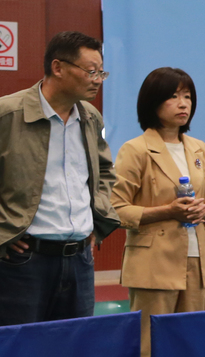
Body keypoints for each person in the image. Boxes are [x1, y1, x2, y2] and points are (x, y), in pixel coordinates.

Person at [111, 67, 205, 357]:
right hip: (152, 266)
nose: (182, 103)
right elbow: (116, 209)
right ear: (153, 103)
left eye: (187, 96)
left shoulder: (198, 147)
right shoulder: (136, 149)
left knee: (191, 355)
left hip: (196, 263)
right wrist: (166, 211)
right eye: (173, 96)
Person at [0, 31, 119, 326]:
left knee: (74, 349)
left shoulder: (90, 117)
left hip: (80, 260)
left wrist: (96, 218)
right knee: (19, 349)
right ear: (58, 67)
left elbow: (105, 171)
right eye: (91, 71)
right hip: (23, 262)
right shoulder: (8, 114)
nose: (98, 80)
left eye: (101, 72)